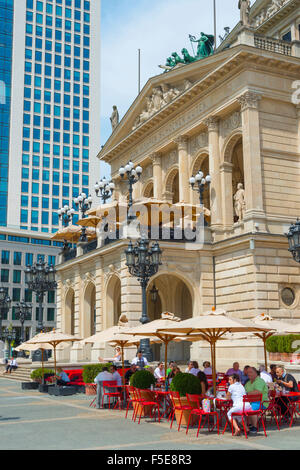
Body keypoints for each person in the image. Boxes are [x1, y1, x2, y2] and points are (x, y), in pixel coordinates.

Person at [244, 367, 269, 434]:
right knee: (241, 407)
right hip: (250, 401)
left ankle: (254, 427)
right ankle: (247, 425)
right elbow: (244, 391)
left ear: (256, 373)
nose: (249, 374)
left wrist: (246, 394)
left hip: (262, 402)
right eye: (248, 372)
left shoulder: (259, 381)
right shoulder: (248, 383)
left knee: (251, 408)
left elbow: (258, 392)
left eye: (251, 372)